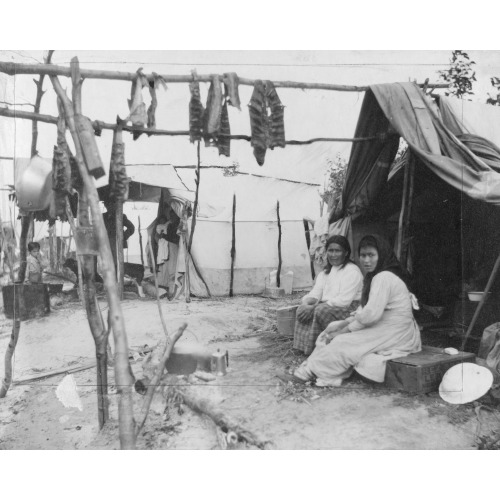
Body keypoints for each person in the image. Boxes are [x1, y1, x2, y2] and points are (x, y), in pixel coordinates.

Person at [294, 234, 421, 387]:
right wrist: (344, 323)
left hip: (396, 332)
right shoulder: (375, 276)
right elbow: (366, 308)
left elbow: (370, 316)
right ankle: (324, 372)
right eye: (363, 255)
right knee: (332, 330)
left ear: (382, 255)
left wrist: (346, 330)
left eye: (371, 255)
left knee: (342, 340)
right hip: (386, 327)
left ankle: (310, 373)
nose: (366, 261)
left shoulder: (384, 277)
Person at [293, 235, 363, 355]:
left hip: (349, 309)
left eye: (338, 251)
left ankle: (316, 349)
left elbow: (344, 301)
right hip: (328, 306)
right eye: (330, 250)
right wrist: (306, 304)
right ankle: (303, 347)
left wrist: (314, 307)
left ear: (346, 253)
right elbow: (315, 293)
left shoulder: (352, 271)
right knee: (302, 309)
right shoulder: (325, 273)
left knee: (320, 310)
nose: (333, 255)